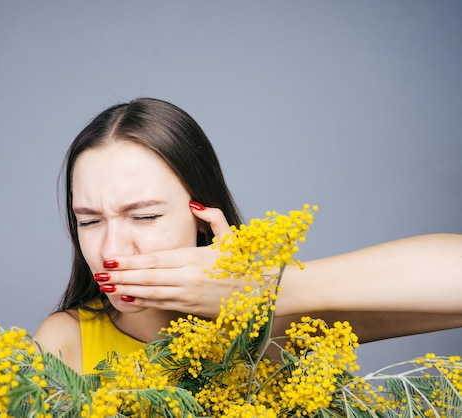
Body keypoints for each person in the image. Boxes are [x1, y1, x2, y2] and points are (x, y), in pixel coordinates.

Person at [34, 97, 462, 375]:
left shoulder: (279, 327)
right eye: (88, 221)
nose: (109, 250)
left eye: (144, 216)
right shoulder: (64, 343)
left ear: (202, 215)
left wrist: (262, 289)